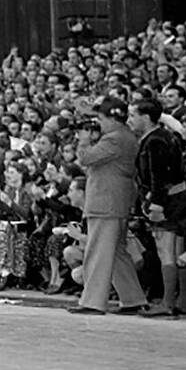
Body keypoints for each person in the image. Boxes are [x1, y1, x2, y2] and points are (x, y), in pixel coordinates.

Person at [69, 97, 147, 315]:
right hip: (115, 202)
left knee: (99, 252)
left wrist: (84, 140)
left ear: (112, 119)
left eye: (101, 119)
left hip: (106, 203)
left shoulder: (113, 139)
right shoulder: (124, 136)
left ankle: (93, 302)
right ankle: (133, 299)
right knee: (117, 254)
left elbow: (85, 158)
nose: (98, 123)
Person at [128, 97, 186, 317]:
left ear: (145, 117)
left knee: (167, 252)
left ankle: (167, 303)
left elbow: (158, 176)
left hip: (167, 203)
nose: (130, 120)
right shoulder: (161, 137)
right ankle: (178, 301)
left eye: (133, 115)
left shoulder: (155, 141)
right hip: (175, 200)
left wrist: (156, 204)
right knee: (174, 252)